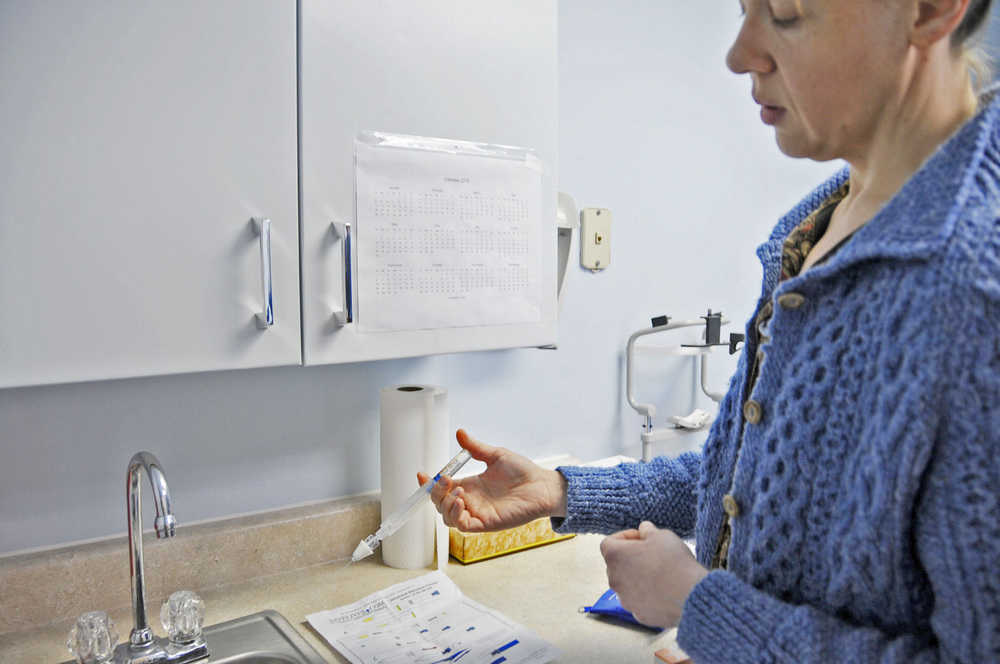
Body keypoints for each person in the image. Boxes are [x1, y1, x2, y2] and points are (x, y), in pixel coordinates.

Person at [419, 0, 1000, 661]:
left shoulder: (973, 292)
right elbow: (756, 483)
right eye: (745, 8)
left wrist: (699, 605)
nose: (737, 53)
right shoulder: (815, 229)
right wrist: (564, 491)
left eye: (784, 13)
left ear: (929, 11)